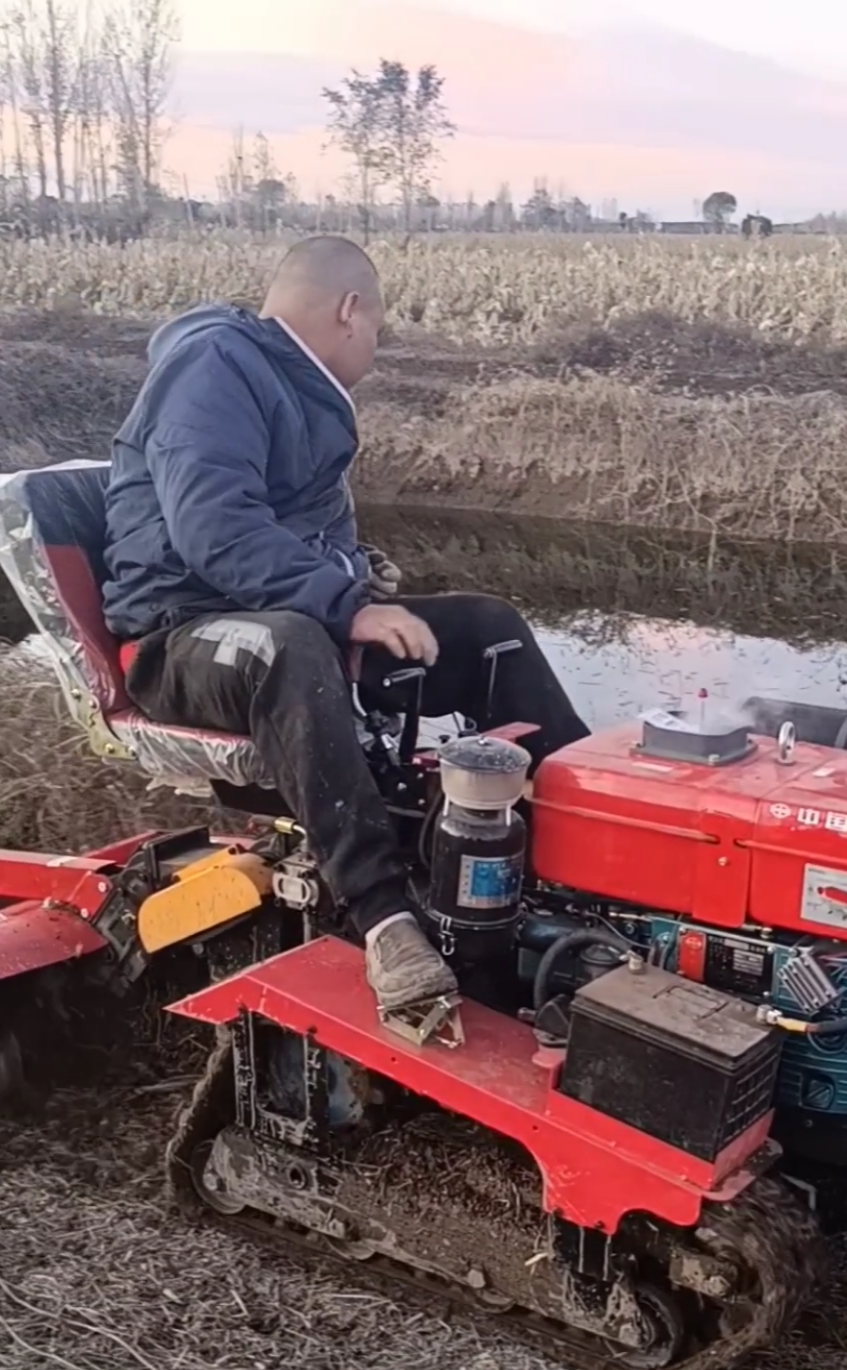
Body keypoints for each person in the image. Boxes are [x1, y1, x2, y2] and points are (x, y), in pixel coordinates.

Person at [102, 235, 588, 1017]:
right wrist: (349, 607)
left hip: (270, 616)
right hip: (177, 634)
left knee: (484, 626)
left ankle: (586, 841)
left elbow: (304, 538)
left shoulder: (298, 390)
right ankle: (385, 918)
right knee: (288, 646)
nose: (374, 346)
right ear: (349, 310)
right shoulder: (214, 367)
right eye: (377, 330)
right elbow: (214, 530)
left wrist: (355, 578)